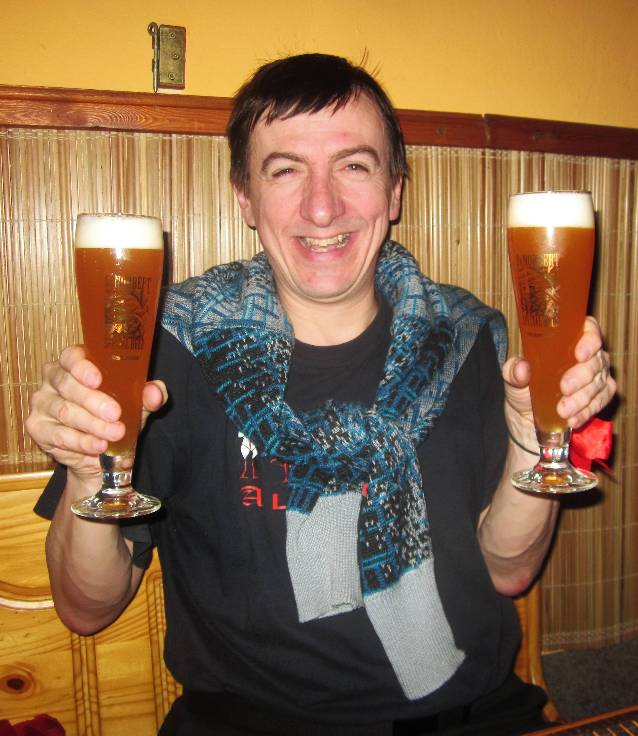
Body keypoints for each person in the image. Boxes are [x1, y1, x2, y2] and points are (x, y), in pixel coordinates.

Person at [26, 53, 615, 736]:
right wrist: (85, 473)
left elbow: (509, 573)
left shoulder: (467, 340)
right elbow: (87, 609)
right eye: (285, 170)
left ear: (394, 192)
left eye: (354, 165)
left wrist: (531, 439)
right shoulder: (169, 358)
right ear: (244, 199)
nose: (322, 205)